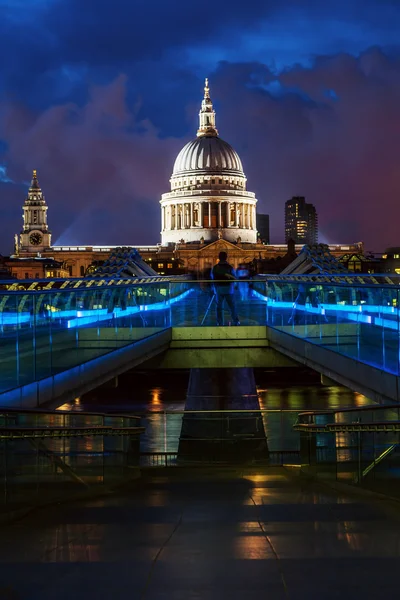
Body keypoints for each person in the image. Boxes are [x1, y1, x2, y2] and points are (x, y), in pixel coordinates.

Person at [211, 251, 240, 326]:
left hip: (218, 289)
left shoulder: (215, 268)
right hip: (229, 289)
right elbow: (234, 278)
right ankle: (236, 321)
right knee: (232, 307)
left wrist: (214, 288)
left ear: (219, 258)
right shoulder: (230, 267)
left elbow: (212, 278)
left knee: (218, 307)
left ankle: (219, 322)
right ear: (226, 258)